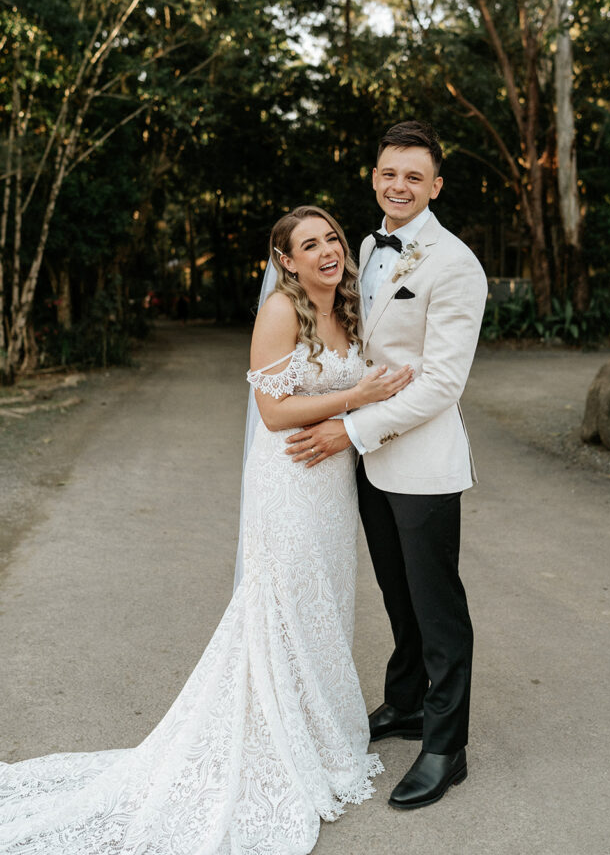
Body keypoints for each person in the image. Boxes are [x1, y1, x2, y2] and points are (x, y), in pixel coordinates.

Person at [0, 205, 412, 855]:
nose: (328, 250)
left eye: (331, 237)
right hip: (289, 484)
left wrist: (377, 395)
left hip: (332, 481)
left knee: (325, 602)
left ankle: (316, 727)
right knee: (284, 605)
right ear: (285, 260)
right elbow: (273, 413)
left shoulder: (349, 306)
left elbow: (362, 383)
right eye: (310, 244)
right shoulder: (281, 310)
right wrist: (355, 399)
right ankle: (280, 735)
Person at [285, 122, 488, 810]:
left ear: (434, 186)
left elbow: (439, 385)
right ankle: (403, 706)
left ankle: (444, 746)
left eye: (413, 176)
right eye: (388, 173)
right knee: (396, 598)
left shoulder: (455, 264)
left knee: (437, 610)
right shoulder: (367, 246)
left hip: (421, 466)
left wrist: (349, 427)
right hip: (367, 464)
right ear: (374, 177)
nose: (398, 185)